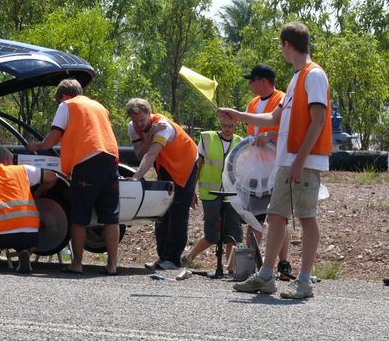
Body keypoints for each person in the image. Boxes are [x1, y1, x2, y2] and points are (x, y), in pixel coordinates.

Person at [219, 21, 331, 299]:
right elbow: (274, 118)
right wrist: (238, 114)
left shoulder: (314, 75)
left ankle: (304, 281)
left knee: (306, 218)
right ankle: (266, 277)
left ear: (286, 45)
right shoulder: (296, 79)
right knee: (276, 216)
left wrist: (299, 160)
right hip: (287, 161)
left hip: (303, 162)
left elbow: (318, 121)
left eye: (281, 46)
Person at [27, 79, 120, 275]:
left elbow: (53, 137)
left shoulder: (67, 105)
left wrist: (38, 146)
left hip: (87, 163)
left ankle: (77, 264)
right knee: (111, 217)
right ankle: (112, 265)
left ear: (64, 96)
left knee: (79, 216)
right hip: (110, 160)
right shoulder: (99, 107)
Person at [125, 98, 199, 270]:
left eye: (142, 120)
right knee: (161, 213)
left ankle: (172, 260)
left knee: (177, 214)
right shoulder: (133, 127)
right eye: (135, 121)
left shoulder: (163, 126)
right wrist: (149, 134)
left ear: (150, 114)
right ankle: (163, 257)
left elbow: (150, 155)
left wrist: (136, 177)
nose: (139, 124)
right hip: (165, 165)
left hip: (185, 165)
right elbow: (139, 154)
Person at [243, 64, 293, 281]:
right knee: (254, 218)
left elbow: (288, 130)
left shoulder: (282, 99)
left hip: (276, 169)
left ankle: (283, 264)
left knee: (279, 218)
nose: (249, 84)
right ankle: (252, 264)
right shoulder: (253, 103)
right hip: (256, 170)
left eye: (252, 80)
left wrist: (270, 136)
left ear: (263, 81)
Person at [0, 146, 57, 272]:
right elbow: (52, 176)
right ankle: (27, 251)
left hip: (0, 238)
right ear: (7, 159)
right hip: (29, 236)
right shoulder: (23, 170)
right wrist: (40, 191)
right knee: (34, 237)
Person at [183, 118, 242, 268]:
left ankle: (230, 267)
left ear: (236, 124)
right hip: (210, 193)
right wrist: (192, 191)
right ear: (219, 123)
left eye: (230, 125)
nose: (227, 128)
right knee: (211, 235)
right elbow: (198, 166)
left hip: (232, 194)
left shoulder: (240, 142)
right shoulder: (207, 138)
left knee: (233, 233)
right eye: (224, 125)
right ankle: (188, 258)